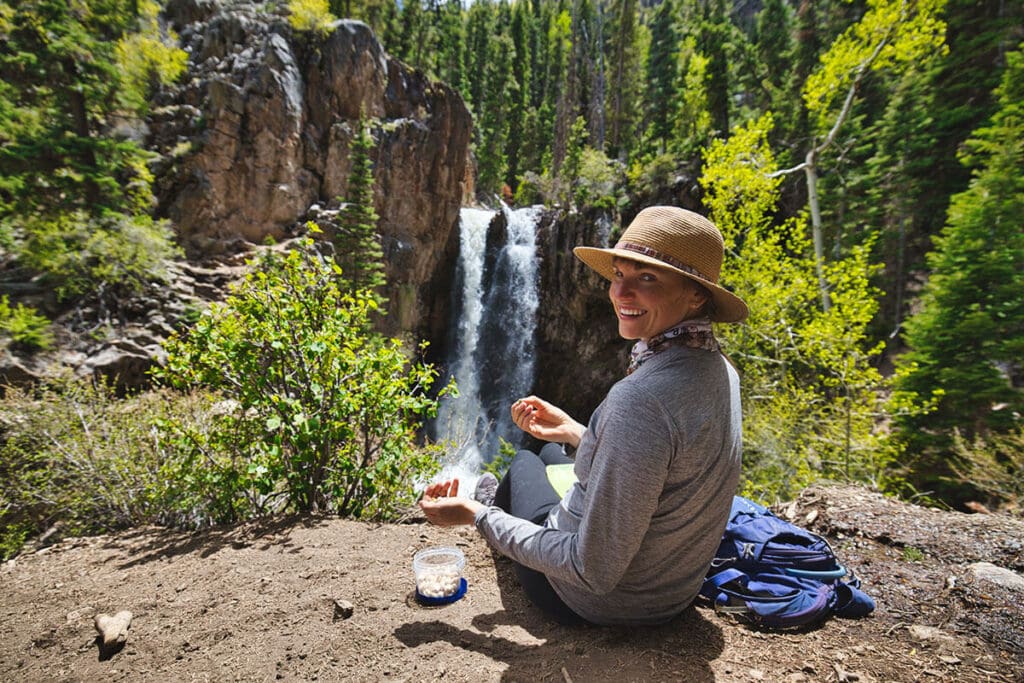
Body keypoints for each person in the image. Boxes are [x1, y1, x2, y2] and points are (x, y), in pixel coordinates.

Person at [420, 206, 748, 626]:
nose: (621, 293)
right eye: (618, 274)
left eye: (647, 277)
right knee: (553, 454)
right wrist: (576, 431)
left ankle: (490, 503)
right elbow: (664, 459)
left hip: (596, 600)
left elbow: (590, 571)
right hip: (671, 587)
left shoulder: (641, 399)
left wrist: (476, 516)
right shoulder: (720, 370)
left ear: (696, 294)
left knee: (524, 463)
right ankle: (515, 496)